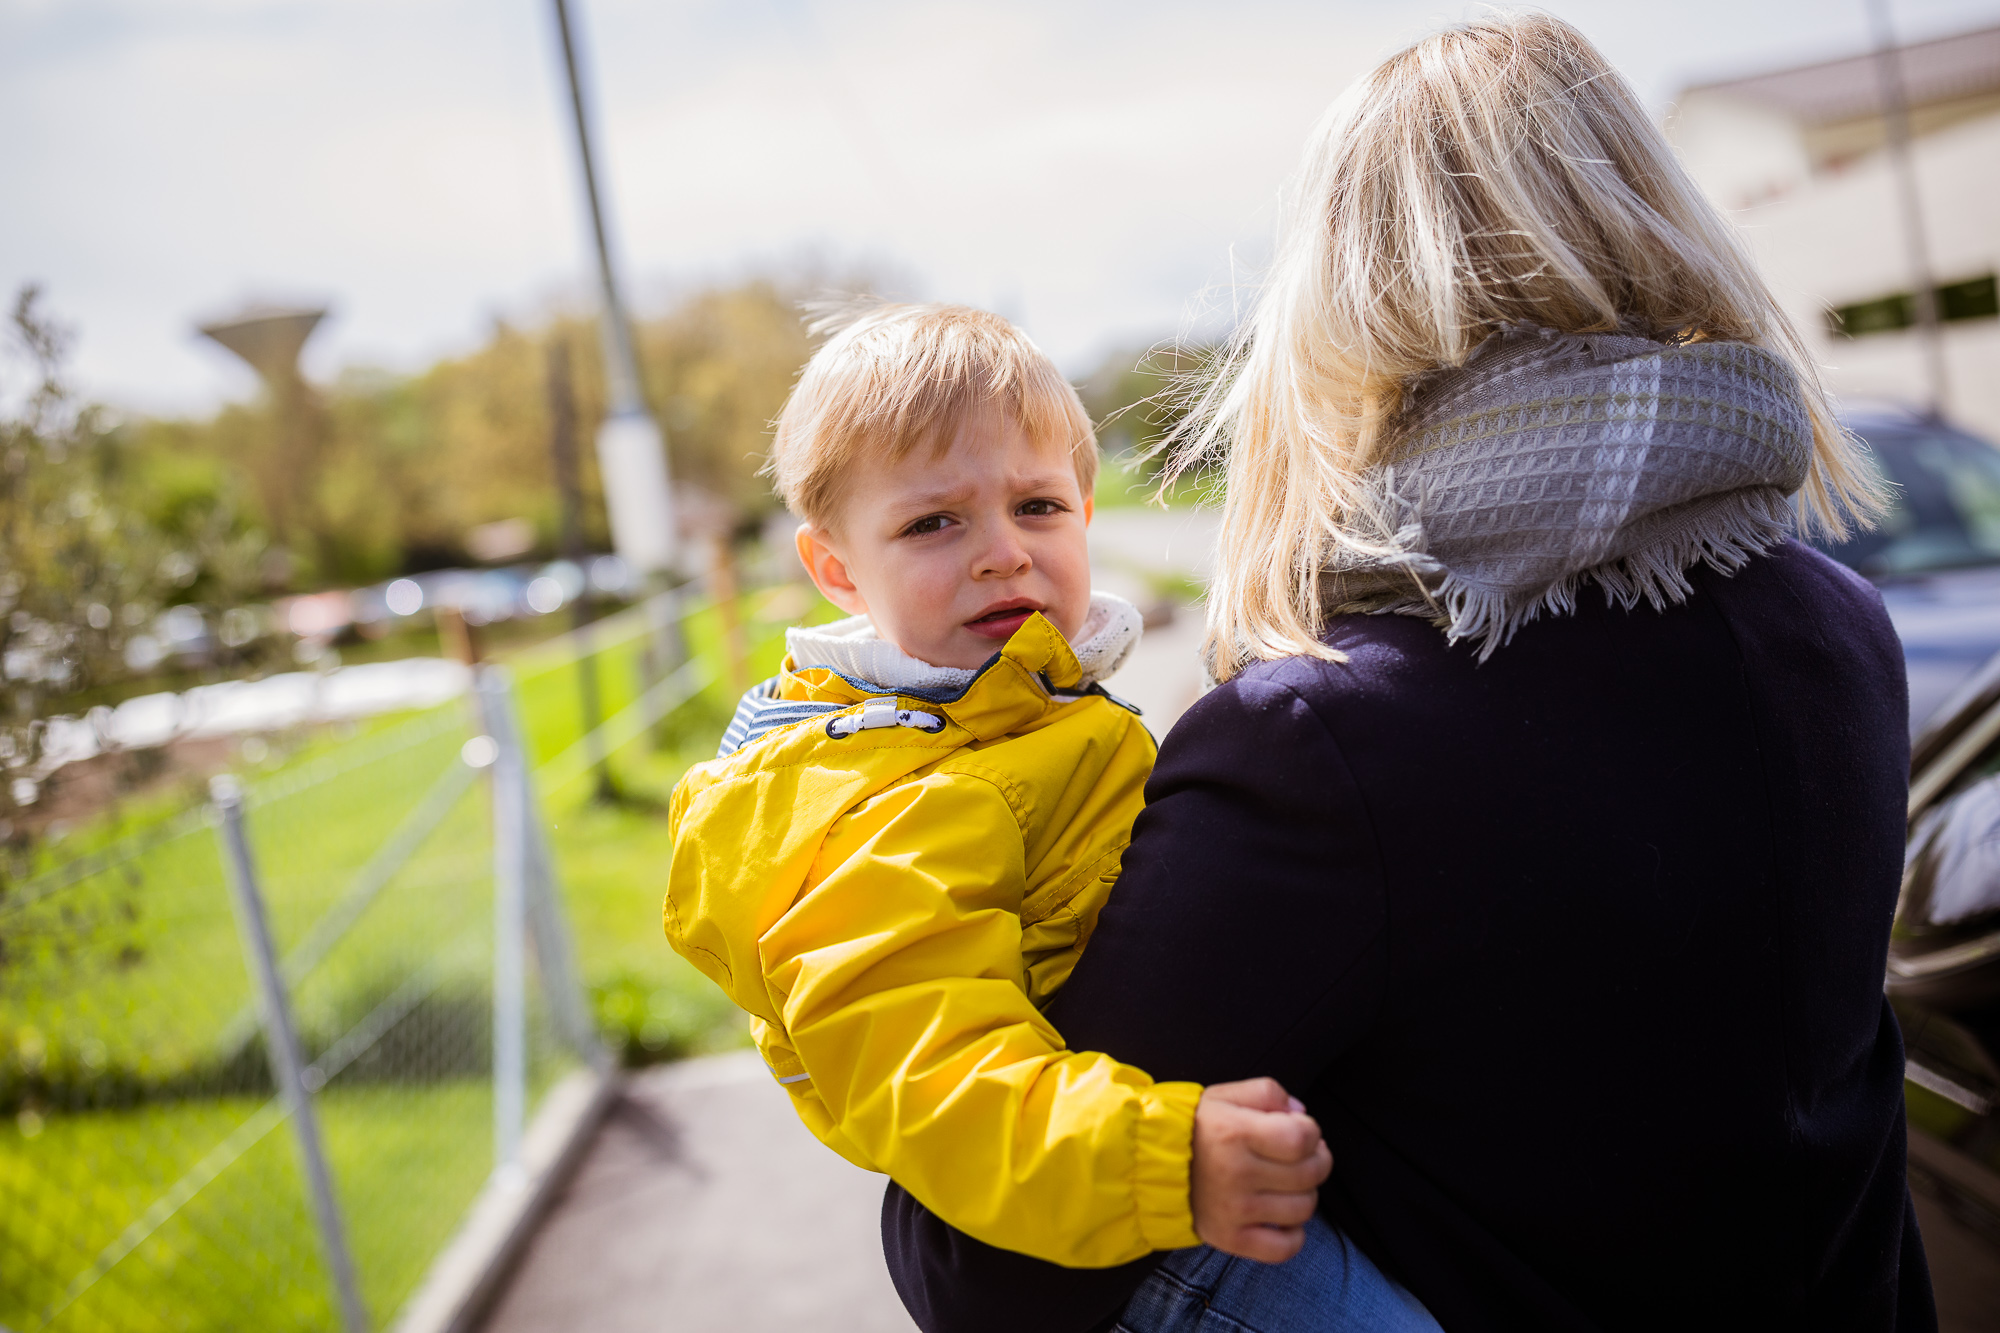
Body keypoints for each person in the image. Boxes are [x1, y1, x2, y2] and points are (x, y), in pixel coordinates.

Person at [884, 14, 1937, 1333]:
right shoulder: (1837, 620)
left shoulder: (1327, 742)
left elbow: (990, 1262)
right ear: (1658, 224)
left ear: (1341, 289)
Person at [663, 303, 1364, 1282]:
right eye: (931, 521)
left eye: (1034, 506)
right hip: (1127, 1218)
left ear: (1083, 512)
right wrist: (1158, 1163)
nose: (1001, 550)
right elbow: (930, 1076)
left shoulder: (1008, 706)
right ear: (834, 568)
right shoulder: (899, 796)